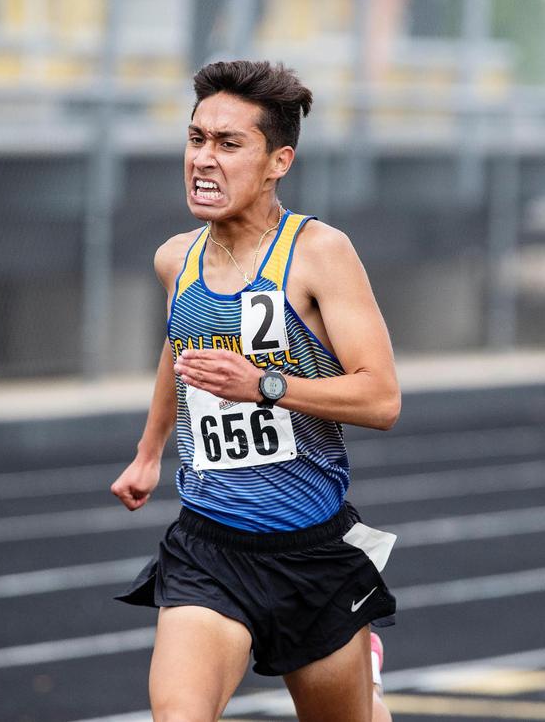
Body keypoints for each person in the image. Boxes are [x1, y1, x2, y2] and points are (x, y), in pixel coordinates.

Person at [110, 59, 399, 722]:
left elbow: (381, 399)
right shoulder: (175, 259)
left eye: (228, 143)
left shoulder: (319, 253)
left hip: (313, 555)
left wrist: (264, 385)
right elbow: (181, 347)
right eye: (196, 139)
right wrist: (150, 450)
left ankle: (368, 681)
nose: (203, 160)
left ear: (278, 161)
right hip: (209, 550)